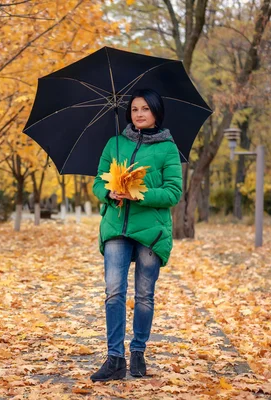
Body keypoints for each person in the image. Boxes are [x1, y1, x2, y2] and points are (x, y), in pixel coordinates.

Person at [90, 88, 183, 382]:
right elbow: (96, 184)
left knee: (144, 296)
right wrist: (109, 193)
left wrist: (138, 194)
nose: (139, 114)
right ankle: (114, 358)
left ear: (156, 112)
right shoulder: (114, 144)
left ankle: (138, 352)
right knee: (114, 292)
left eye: (145, 109)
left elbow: (173, 192)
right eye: (134, 109)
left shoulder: (168, 148)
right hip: (116, 226)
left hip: (151, 231)